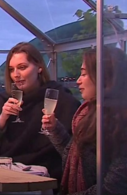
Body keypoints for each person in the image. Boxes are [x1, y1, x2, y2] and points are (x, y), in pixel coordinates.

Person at [0, 42, 81, 184]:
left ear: (39, 67)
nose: (16, 75)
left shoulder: (60, 97)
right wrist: (2, 119)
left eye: (22, 67)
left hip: (46, 176)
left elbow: (73, 152)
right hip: (6, 172)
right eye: (11, 69)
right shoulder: (5, 99)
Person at [42, 46, 127, 195]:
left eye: (84, 74)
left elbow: (111, 189)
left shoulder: (121, 124)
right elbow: (75, 159)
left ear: (105, 77)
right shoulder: (89, 114)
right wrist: (55, 129)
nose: (78, 81)